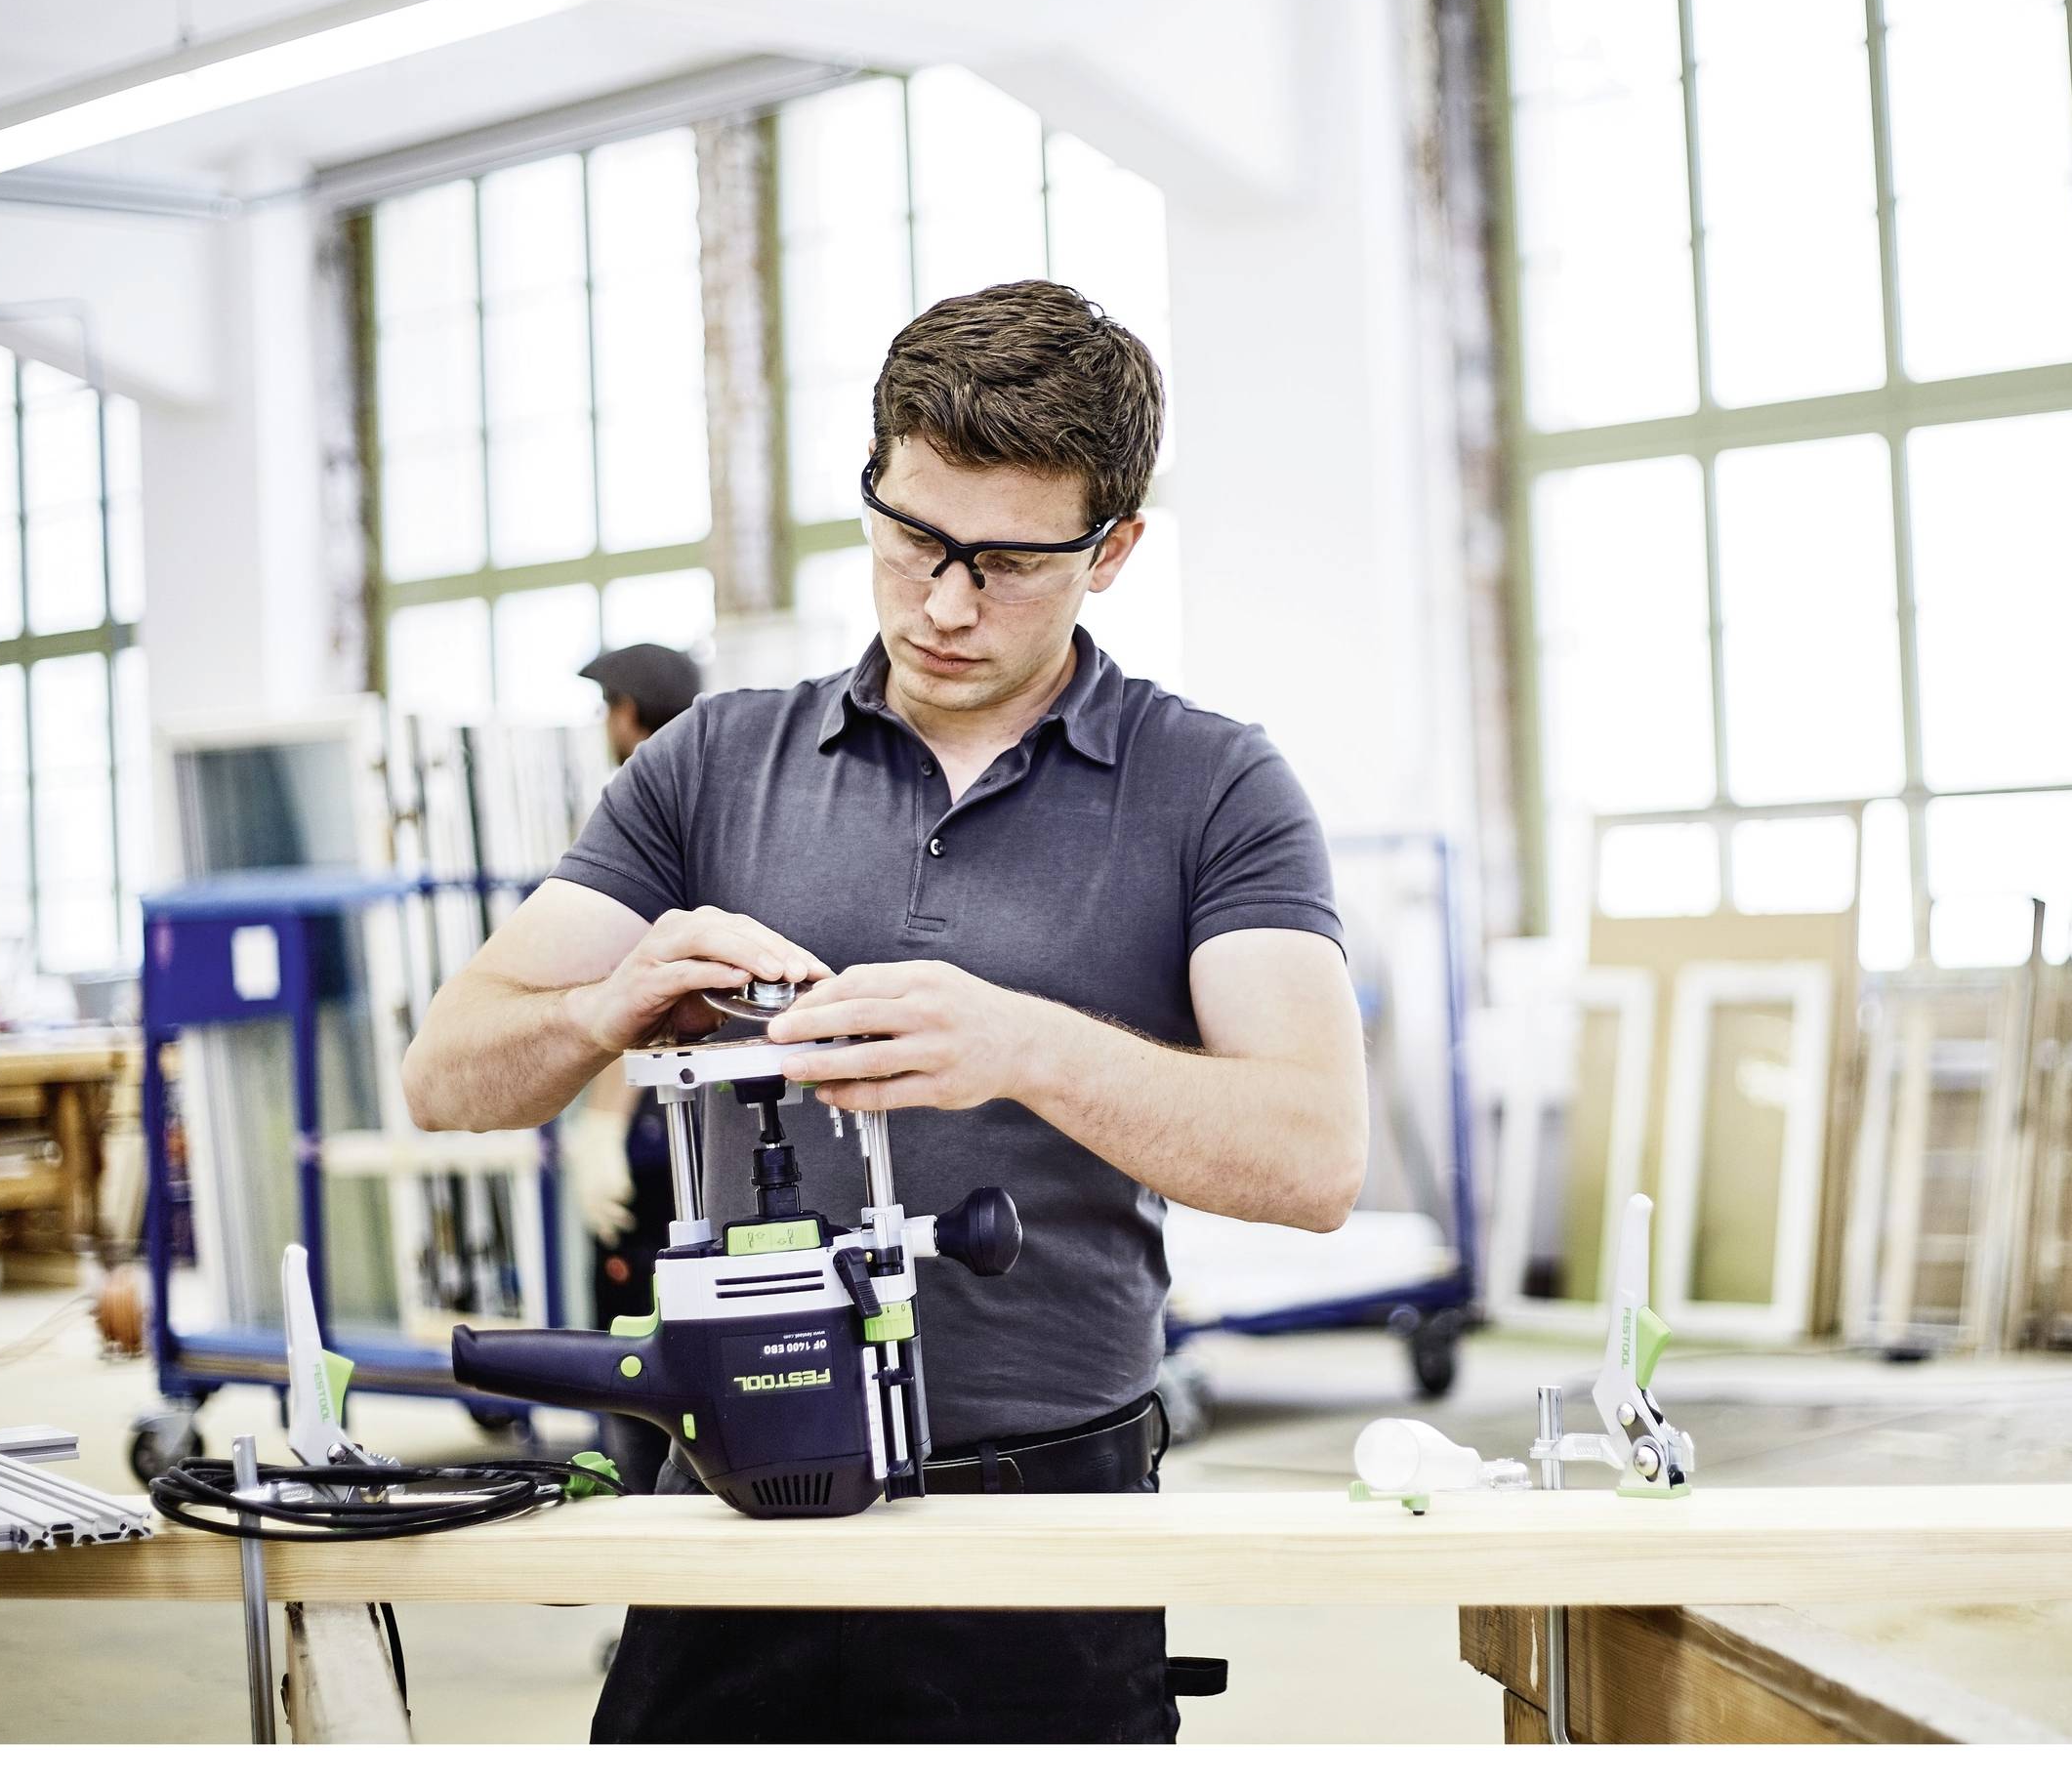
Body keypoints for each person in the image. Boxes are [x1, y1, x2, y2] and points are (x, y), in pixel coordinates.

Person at [400, 279, 1369, 1744]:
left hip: (1047, 1520)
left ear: (1114, 551)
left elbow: (1312, 1158)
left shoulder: (1213, 789)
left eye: (1009, 562)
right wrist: (606, 1003)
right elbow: (444, 1079)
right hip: (727, 1507)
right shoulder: (715, 763)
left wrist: (1024, 1045)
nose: (946, 602)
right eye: (914, 538)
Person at [562, 642, 704, 1494]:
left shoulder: (647, 810)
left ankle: (648, 1581)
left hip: (657, 1140)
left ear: (624, 714)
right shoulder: (726, 796)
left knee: (634, 1358)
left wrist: (604, 1125)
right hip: (696, 1131)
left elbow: (644, 991)